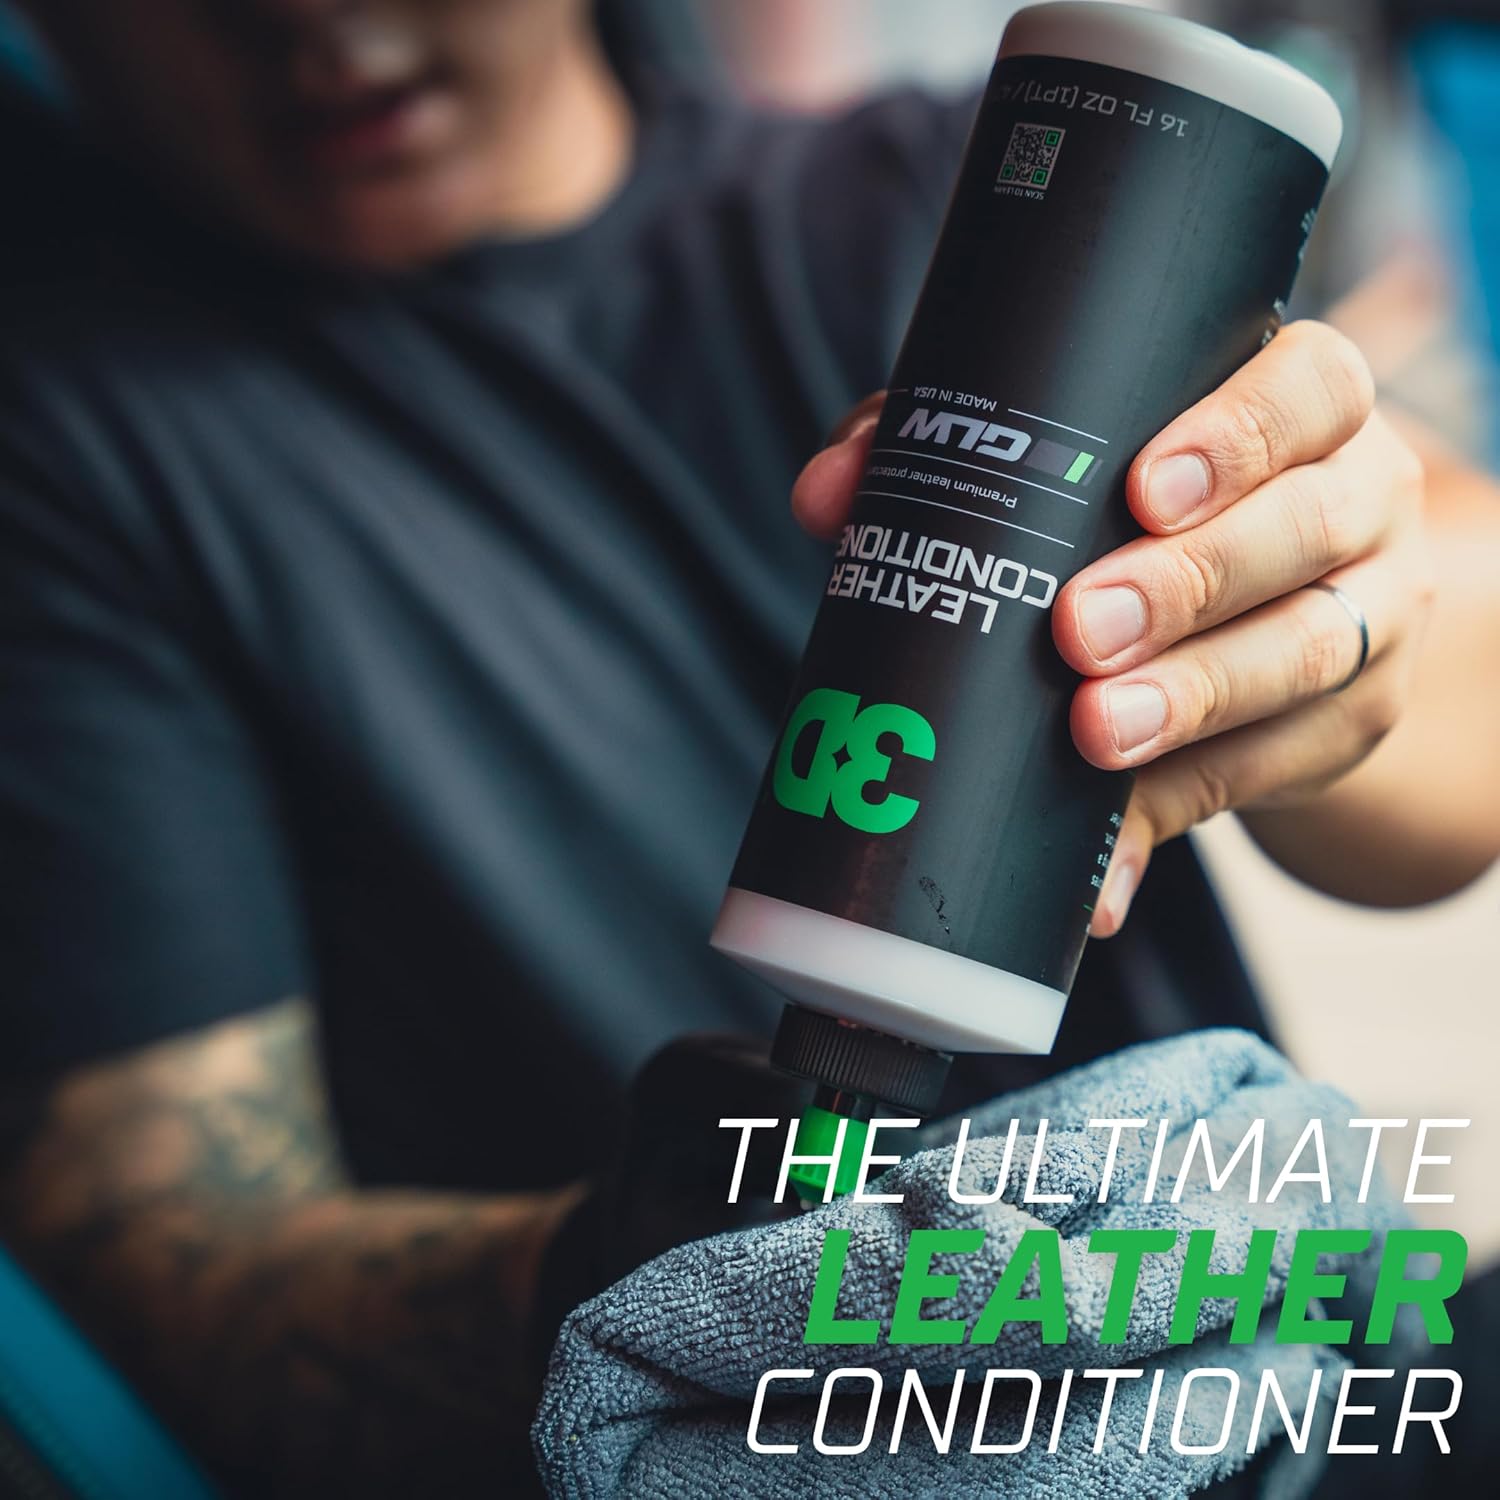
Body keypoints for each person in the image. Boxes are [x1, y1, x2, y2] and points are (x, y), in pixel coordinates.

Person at [0, 1, 1495, 1495]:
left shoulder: (951, 204)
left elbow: (1464, 696)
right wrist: (630, 1277)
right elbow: (173, 1258)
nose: (316, 24)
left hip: (1313, 1408)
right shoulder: (66, 454)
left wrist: (1319, 663)